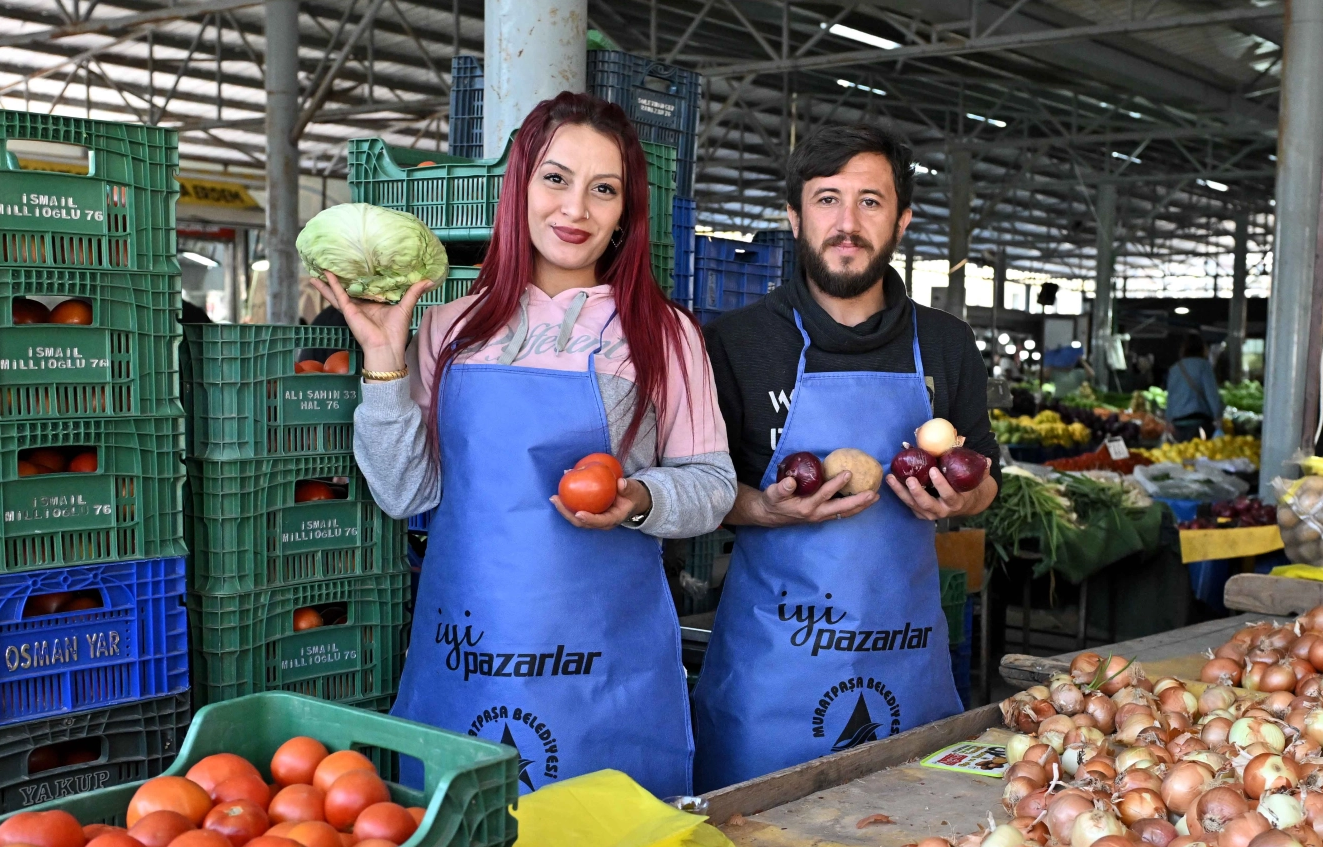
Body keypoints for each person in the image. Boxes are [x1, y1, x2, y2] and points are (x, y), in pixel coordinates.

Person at [319, 93, 735, 799]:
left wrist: (639, 498)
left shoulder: (663, 334)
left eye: (603, 190)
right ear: (520, 189)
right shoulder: (450, 328)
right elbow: (404, 493)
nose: (576, 209)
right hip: (469, 654)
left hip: (601, 667)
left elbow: (713, 483)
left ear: (624, 214)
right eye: (556, 178)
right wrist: (386, 363)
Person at [693, 123, 999, 792]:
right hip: (770, 680)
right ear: (794, 215)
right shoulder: (735, 344)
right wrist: (766, 510)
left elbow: (986, 477)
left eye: (871, 200)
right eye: (827, 199)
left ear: (903, 219)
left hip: (906, 668)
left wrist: (963, 498)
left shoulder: (946, 344)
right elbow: (703, 493)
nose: (848, 222)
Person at [1164, 332, 1224, 442]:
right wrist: (1218, 417)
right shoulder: (1204, 366)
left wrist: (1168, 421)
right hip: (1198, 422)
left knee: (1181, 455)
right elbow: (1212, 395)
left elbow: (1170, 397)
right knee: (1198, 455)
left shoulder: (1175, 369)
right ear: (1202, 348)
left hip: (1178, 424)